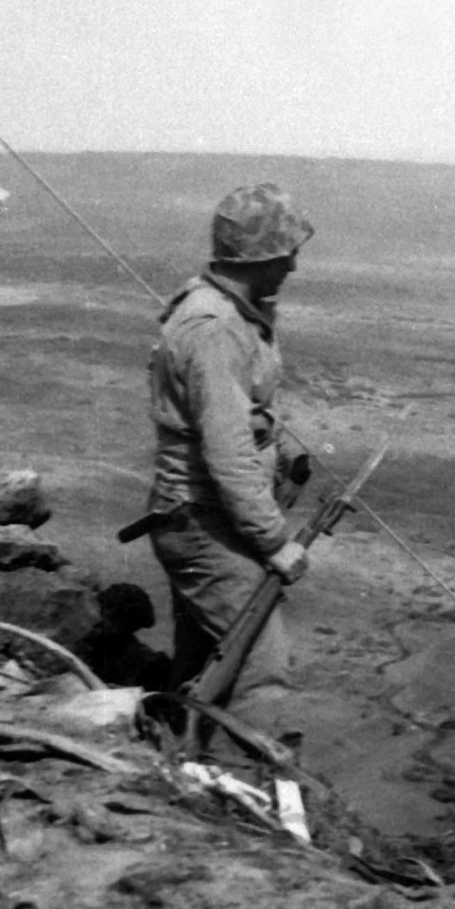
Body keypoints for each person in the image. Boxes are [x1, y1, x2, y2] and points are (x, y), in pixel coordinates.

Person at [140, 180, 317, 730]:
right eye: (287, 253)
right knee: (259, 671)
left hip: (206, 516)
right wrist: (273, 541)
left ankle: (174, 774)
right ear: (261, 256)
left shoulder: (236, 314)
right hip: (203, 520)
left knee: (203, 663)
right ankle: (249, 797)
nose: (292, 267)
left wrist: (285, 453)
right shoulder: (215, 328)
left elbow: (246, 413)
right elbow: (227, 450)